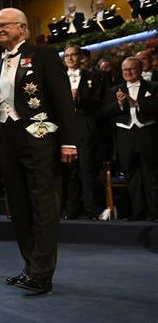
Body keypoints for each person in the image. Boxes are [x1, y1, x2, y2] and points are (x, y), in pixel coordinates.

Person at [0, 7, 78, 295]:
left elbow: (63, 99)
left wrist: (69, 141)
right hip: (7, 140)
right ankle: (30, 267)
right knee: (19, 206)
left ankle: (41, 272)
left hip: (40, 137)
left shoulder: (43, 55)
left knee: (44, 204)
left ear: (22, 28)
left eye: (4, 25)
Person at [101, 57, 158, 221]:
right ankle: (137, 212)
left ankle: (154, 212)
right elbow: (104, 113)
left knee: (151, 175)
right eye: (125, 70)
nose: (128, 72)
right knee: (131, 176)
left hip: (147, 134)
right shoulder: (114, 90)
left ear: (140, 70)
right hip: (124, 137)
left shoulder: (153, 87)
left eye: (132, 69)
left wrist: (138, 103)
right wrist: (119, 104)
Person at [62, 45, 103, 220]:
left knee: (86, 170)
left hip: (86, 128)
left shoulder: (93, 77)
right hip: (66, 130)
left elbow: (97, 102)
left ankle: (91, 210)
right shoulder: (58, 79)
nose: (70, 58)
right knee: (70, 172)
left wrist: (79, 98)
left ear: (81, 57)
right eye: (67, 56)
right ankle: (71, 210)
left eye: (73, 55)